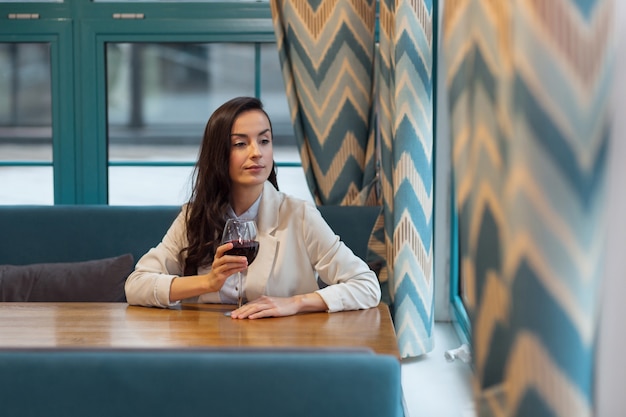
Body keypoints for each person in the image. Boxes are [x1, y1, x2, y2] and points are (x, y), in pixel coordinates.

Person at [125, 96, 381, 319]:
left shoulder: (298, 215)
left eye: (264, 141)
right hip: (208, 346)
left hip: (283, 348)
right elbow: (136, 286)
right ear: (218, 153)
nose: (256, 152)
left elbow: (366, 285)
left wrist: (295, 303)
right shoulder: (194, 217)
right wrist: (207, 282)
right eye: (240, 144)